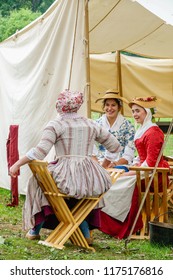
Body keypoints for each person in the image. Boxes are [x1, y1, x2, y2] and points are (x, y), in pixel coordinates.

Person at [9, 89, 122, 244]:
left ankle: (35, 229)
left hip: (65, 175)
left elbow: (40, 152)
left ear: (60, 106)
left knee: (41, 183)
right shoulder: (90, 124)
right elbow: (115, 146)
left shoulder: (56, 124)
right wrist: (104, 164)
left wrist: (17, 164)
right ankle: (85, 232)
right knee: (73, 190)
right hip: (91, 178)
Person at [92, 95, 169, 239]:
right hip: (143, 171)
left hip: (154, 175)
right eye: (133, 111)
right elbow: (141, 158)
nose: (135, 114)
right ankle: (112, 222)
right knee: (114, 179)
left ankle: (122, 224)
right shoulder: (143, 129)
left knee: (119, 181)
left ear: (147, 112)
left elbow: (151, 163)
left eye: (138, 111)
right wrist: (133, 166)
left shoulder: (154, 132)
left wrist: (131, 172)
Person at [93, 89, 135, 168]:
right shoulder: (96, 125)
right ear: (103, 107)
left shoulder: (128, 126)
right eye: (107, 105)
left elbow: (129, 152)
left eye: (113, 105)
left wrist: (115, 164)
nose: (110, 108)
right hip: (98, 165)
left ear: (119, 107)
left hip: (120, 165)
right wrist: (97, 165)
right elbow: (91, 148)